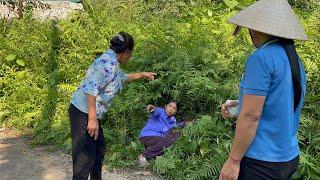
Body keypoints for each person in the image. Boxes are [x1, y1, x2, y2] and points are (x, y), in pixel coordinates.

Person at [219, 0, 308, 180]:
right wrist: (239, 106)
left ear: (257, 29)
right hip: (288, 158)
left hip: (261, 161)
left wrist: (233, 161)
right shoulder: (295, 61)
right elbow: (281, 104)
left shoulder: (261, 58)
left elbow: (251, 116)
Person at [69, 31, 156, 180]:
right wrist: (92, 119)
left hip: (89, 112)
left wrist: (142, 74)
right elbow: (90, 89)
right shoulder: (108, 63)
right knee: (85, 159)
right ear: (127, 52)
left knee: (98, 151)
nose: (131, 56)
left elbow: (122, 78)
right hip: (83, 112)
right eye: (131, 53)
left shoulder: (113, 62)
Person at [138, 101, 185, 167]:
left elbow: (174, 131)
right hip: (147, 137)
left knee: (177, 136)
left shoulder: (173, 121)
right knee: (170, 141)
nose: (171, 109)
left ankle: (157, 157)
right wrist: (151, 108)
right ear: (166, 106)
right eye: (170, 106)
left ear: (176, 111)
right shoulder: (160, 112)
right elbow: (154, 111)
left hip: (159, 141)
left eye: (174, 108)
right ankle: (143, 155)